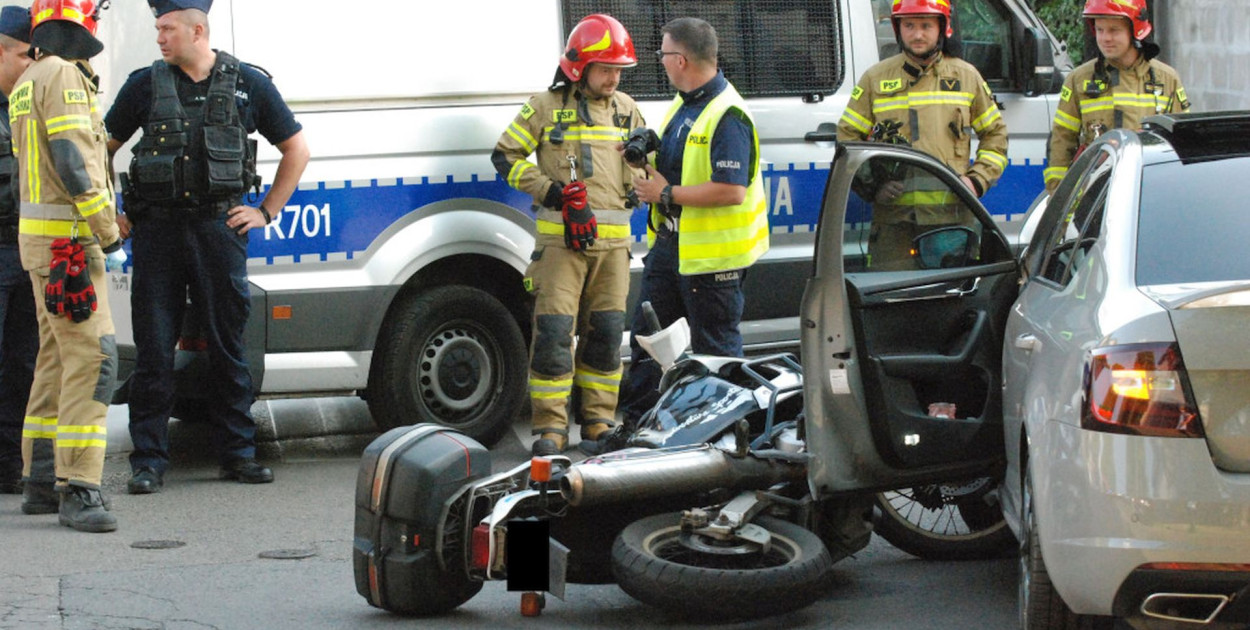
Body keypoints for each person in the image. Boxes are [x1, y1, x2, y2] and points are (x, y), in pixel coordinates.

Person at [105, 0, 309, 493]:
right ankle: (148, 461)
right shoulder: (144, 85)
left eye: (167, 28)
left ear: (198, 30)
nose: (159, 37)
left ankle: (238, 454)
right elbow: (100, 148)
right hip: (157, 234)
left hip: (219, 231)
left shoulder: (247, 84)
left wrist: (265, 211)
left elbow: (297, 149)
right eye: (158, 28)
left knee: (228, 347)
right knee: (155, 350)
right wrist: (111, 212)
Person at [492, 14, 645, 456]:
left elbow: (643, 167)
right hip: (560, 247)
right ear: (580, 67)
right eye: (606, 69)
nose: (614, 78)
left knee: (606, 335)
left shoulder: (627, 109)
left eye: (619, 70)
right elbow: (505, 157)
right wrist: (553, 192)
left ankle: (598, 423)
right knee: (555, 335)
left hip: (614, 250)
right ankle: (550, 428)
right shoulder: (544, 106)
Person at [619, 17, 769, 424]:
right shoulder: (685, 103)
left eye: (664, 53)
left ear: (681, 59)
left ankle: (727, 437)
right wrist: (643, 159)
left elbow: (731, 190)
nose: (661, 61)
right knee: (649, 342)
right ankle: (637, 428)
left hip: (712, 261)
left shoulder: (728, 114)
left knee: (715, 356)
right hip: (672, 247)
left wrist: (666, 194)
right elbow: (680, 169)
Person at [14, 0, 126, 532]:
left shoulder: (31, 76)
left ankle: (40, 480)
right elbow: (71, 158)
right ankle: (79, 487)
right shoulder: (61, 73)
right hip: (71, 248)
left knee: (57, 360)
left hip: (46, 247)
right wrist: (108, 230)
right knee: (95, 360)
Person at [836, 0, 1008, 270]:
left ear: (942, 27)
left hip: (951, 220)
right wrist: (874, 186)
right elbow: (847, 139)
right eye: (909, 25)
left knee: (950, 293)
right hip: (894, 222)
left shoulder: (966, 76)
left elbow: (995, 136)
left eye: (926, 25)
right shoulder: (875, 78)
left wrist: (976, 181)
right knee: (892, 292)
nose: (917, 34)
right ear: (898, 29)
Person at [1044, 0, 1188, 192]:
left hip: (1151, 191)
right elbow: (1061, 141)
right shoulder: (1079, 80)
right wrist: (1058, 195)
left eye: (1114, 30)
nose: (1105, 38)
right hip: (1095, 194)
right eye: (1100, 30)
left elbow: (1183, 144)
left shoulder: (1167, 79)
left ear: (1135, 30)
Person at [0, 6, 35, 496]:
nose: (34, 64)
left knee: (24, 363)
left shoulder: (33, 103)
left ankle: (10, 463)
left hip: (29, 249)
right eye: (27, 55)